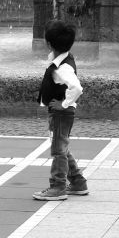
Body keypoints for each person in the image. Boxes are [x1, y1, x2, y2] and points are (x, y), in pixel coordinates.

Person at [33, 19, 88, 201]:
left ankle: (57, 186)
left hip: (61, 113)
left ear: (49, 43)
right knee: (61, 146)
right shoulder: (62, 59)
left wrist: (63, 104)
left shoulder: (63, 68)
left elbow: (77, 88)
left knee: (58, 150)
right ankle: (78, 182)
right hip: (61, 112)